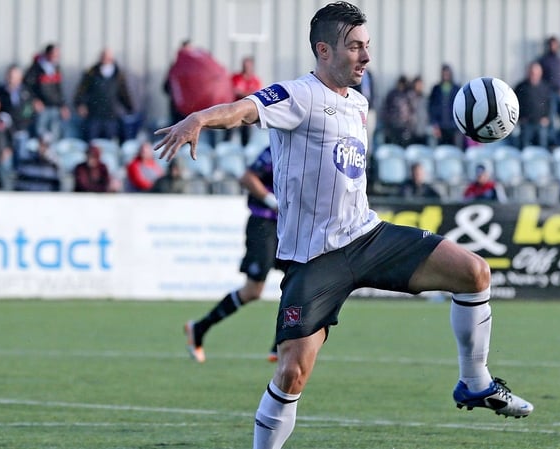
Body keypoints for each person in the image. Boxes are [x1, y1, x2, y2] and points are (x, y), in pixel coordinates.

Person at [153, 3, 533, 448]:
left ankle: (475, 381)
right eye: (355, 47)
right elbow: (244, 109)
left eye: (367, 46)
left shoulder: (358, 102)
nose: (366, 56)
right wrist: (201, 117)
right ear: (324, 51)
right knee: (292, 371)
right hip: (316, 259)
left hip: (367, 235)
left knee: (474, 273)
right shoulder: (299, 95)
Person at [184, 146, 281, 364]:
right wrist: (272, 201)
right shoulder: (276, 149)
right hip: (264, 224)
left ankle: (281, 344)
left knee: (298, 278)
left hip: (289, 225)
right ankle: (199, 328)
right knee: (254, 290)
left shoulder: (307, 148)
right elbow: (247, 177)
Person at [74, 48, 135, 142]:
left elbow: (123, 93)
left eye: (107, 57)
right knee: (91, 142)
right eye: (103, 56)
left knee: (109, 143)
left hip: (110, 115)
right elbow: (82, 90)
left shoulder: (118, 74)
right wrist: (80, 104)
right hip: (94, 114)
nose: (105, 59)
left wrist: (130, 108)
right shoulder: (91, 72)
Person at [24, 43, 71, 139]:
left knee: (55, 133)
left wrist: (63, 105)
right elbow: (27, 86)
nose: (56, 57)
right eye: (54, 54)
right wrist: (34, 100)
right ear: (47, 54)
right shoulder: (36, 68)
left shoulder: (56, 69)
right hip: (42, 107)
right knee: (40, 133)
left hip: (55, 107)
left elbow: (58, 89)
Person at [538, 36, 560, 147]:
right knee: (551, 120)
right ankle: (553, 142)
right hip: (550, 94)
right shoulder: (543, 60)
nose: (553, 47)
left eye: (555, 44)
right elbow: (540, 79)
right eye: (551, 44)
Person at [225, 56, 263, 146]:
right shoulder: (236, 77)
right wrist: (248, 94)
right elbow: (234, 91)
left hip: (247, 114)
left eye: (248, 65)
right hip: (233, 111)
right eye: (245, 65)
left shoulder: (255, 80)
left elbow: (257, 94)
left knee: (245, 139)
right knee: (228, 135)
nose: (246, 67)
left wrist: (243, 93)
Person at [514, 61, 551, 149]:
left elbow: (550, 104)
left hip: (540, 123)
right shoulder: (520, 87)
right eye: (531, 73)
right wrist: (519, 118)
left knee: (542, 149)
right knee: (524, 147)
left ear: (540, 74)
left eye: (535, 73)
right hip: (526, 124)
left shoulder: (545, 87)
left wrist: (547, 117)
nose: (533, 75)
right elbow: (513, 104)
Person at [428, 64, 463, 148]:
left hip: (453, 127)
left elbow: (461, 108)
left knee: (454, 149)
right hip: (440, 127)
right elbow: (432, 108)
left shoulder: (456, 88)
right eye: (444, 73)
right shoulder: (436, 89)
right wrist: (435, 124)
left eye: (447, 73)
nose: (446, 75)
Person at [380, 75, 414, 146]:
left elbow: (411, 110)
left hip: (404, 126)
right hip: (393, 125)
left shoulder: (408, 94)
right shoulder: (392, 94)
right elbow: (385, 109)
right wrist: (387, 123)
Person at [408, 76, 430, 145]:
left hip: (422, 130)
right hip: (412, 131)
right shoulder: (410, 97)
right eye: (418, 84)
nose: (420, 86)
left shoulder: (425, 98)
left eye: (421, 84)